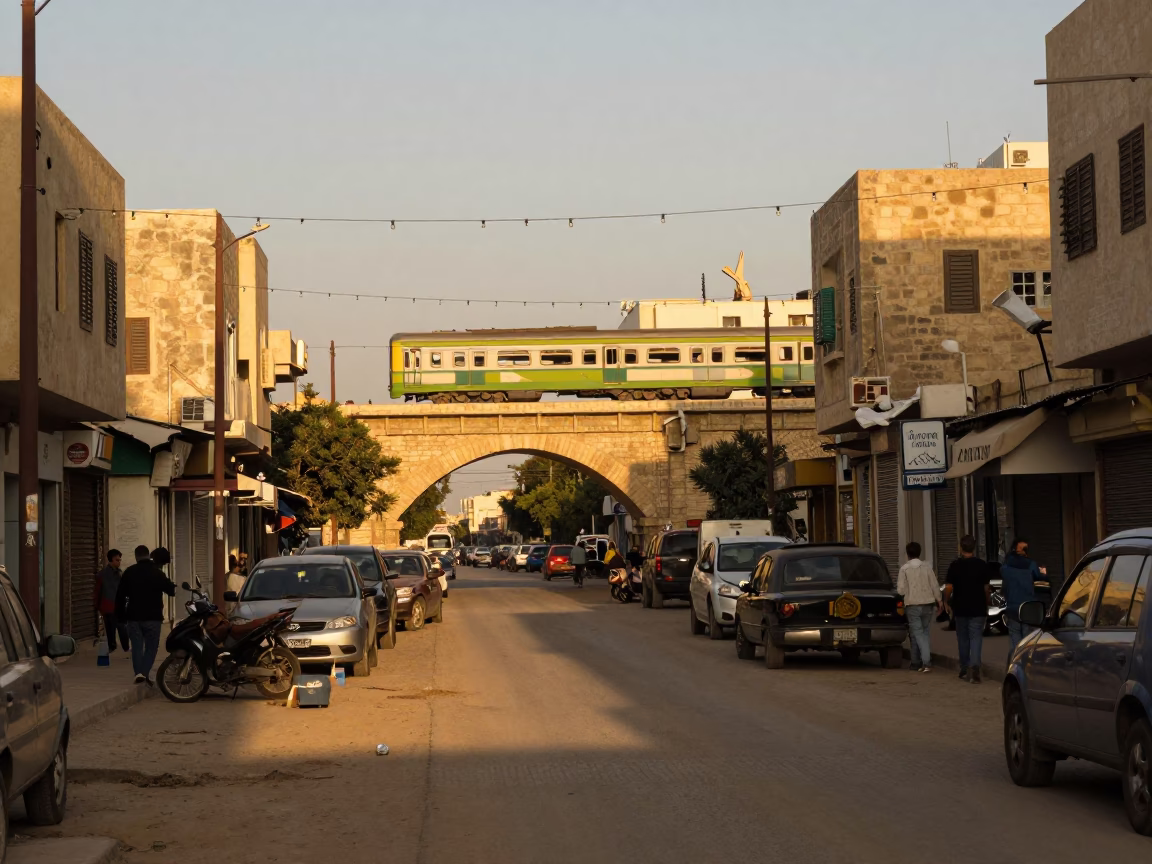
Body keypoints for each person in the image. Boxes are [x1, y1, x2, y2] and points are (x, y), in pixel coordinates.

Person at [115, 545, 176, 685]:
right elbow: (171, 591)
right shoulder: (157, 573)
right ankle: (144, 672)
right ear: (149, 556)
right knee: (151, 647)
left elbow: (120, 596)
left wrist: (120, 616)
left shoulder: (129, 572)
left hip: (133, 617)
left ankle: (138, 674)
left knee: (136, 646)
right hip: (153, 617)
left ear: (136, 557)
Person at [943, 535, 991, 684]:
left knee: (963, 638)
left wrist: (946, 601)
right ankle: (974, 668)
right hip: (978, 607)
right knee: (976, 637)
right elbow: (986, 588)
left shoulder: (955, 565)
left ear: (960, 547)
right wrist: (987, 602)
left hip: (961, 607)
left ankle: (964, 666)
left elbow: (949, 587)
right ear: (974, 547)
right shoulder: (982, 565)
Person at [896, 541, 943, 673]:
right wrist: (939, 601)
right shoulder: (927, 567)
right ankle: (915, 662)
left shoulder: (904, 569)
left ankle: (926, 661)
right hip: (928, 604)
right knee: (924, 632)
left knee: (917, 633)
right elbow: (934, 585)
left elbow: (900, 590)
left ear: (907, 554)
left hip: (912, 605)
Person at [1001, 537, 1048, 654]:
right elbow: (1040, 579)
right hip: (1028, 609)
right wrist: (1043, 573)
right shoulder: (1031, 565)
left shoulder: (1006, 566)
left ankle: (1014, 666)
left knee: (1015, 644)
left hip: (1012, 609)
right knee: (1027, 643)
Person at [94, 549, 129, 654]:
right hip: (108, 606)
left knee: (121, 627)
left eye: (120, 560)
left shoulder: (120, 573)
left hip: (118, 606)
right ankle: (114, 647)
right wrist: (98, 606)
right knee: (111, 628)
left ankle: (124, 647)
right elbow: (97, 592)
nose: (119, 562)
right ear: (111, 560)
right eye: (117, 560)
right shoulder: (102, 575)